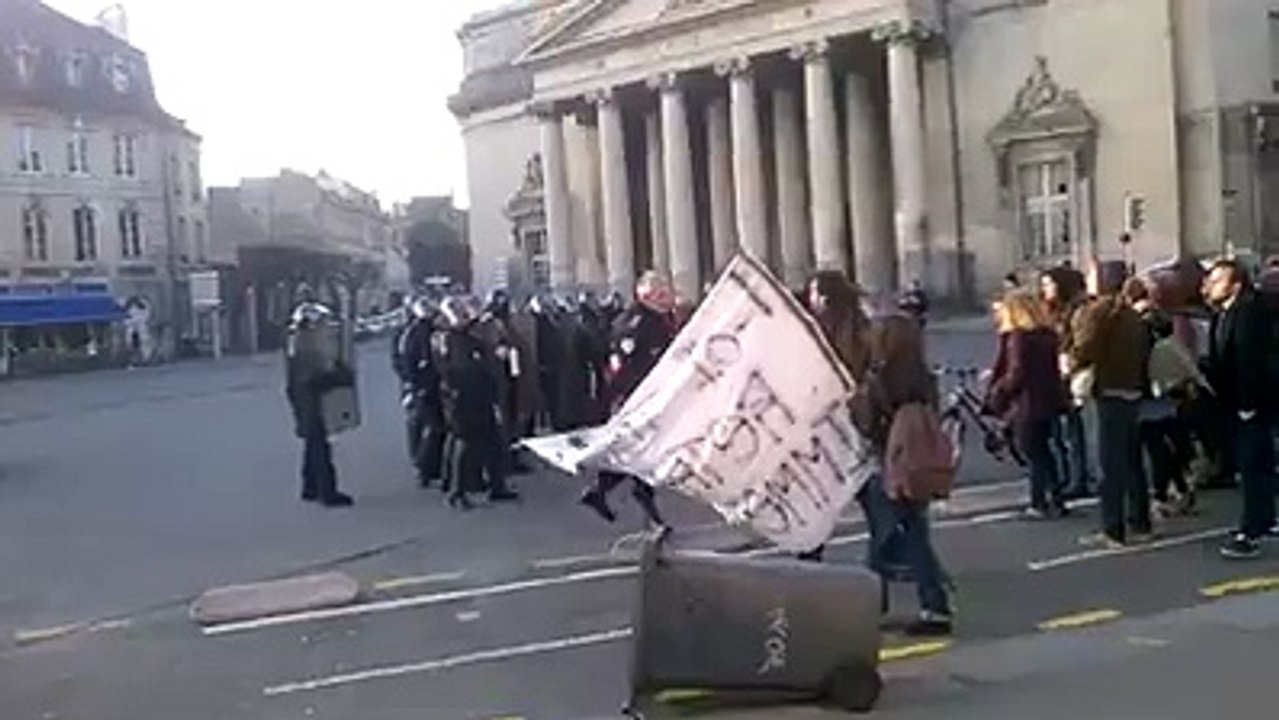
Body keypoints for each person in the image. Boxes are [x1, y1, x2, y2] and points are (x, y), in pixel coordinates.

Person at [852, 314, 953, 636]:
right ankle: (934, 604)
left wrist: (854, 404)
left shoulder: (878, 379)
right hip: (916, 465)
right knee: (915, 536)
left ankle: (872, 609)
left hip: (887, 465)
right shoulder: (923, 378)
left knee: (882, 541)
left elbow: (867, 425)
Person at [579, 271, 677, 532]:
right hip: (638, 398)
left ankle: (604, 491)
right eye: (661, 293)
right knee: (642, 451)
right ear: (647, 296)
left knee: (643, 452)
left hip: (654, 396)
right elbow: (622, 365)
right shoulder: (634, 324)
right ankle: (631, 498)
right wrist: (629, 399)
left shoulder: (656, 320)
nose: (667, 297)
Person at [1071, 260, 1151, 548]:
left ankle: (1112, 528)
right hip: (1131, 390)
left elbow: (1085, 350)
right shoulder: (1129, 313)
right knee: (1131, 462)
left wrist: (1069, 362)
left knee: (1108, 464)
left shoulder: (1097, 312)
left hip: (1106, 391)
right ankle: (1140, 521)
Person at [1203, 259, 1277, 559]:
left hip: (1251, 403)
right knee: (1257, 464)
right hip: (1235, 402)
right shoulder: (1226, 312)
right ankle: (1264, 519)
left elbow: (1251, 362)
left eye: (1217, 279)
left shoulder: (1247, 313)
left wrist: (1248, 404)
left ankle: (1251, 529)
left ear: (1235, 284)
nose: (1210, 284)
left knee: (1251, 466)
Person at [985, 290, 1069, 519]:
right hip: (1047, 400)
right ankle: (1056, 499)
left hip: (1026, 402)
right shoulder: (1047, 335)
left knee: (1032, 453)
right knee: (1044, 452)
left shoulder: (1018, 338)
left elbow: (1017, 373)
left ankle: (1038, 502)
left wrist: (998, 393)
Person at [1126, 277, 1199, 518]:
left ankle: (1163, 493)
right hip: (1166, 387)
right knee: (1165, 443)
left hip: (1148, 390)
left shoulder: (1138, 321)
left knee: (1156, 446)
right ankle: (1179, 486)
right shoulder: (1161, 317)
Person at [437, 297, 519, 510]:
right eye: (458, 313)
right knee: (464, 445)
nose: (463, 316)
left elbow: (485, 361)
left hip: (481, 397)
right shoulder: (446, 339)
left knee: (492, 442)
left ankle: (497, 486)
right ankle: (457, 491)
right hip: (462, 400)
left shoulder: (469, 337)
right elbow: (450, 371)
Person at [285, 301, 355, 508]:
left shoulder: (297, 343)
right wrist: (339, 376)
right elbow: (314, 379)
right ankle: (327, 492)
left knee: (311, 444)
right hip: (311, 401)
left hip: (303, 398)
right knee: (319, 447)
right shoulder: (305, 347)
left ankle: (310, 487)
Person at [1040, 266, 1094, 499]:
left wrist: (1068, 361)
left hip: (1072, 375)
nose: (1045, 289)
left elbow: (1078, 344)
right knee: (1061, 433)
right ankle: (1068, 477)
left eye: (1049, 284)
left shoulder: (1078, 310)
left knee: (1075, 432)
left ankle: (1079, 478)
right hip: (1056, 376)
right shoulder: (1051, 312)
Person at [396, 298, 446, 486]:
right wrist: (414, 385)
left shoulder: (415, 331)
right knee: (431, 427)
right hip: (423, 387)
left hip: (425, 385)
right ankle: (423, 466)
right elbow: (407, 362)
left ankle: (430, 467)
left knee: (428, 426)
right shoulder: (416, 333)